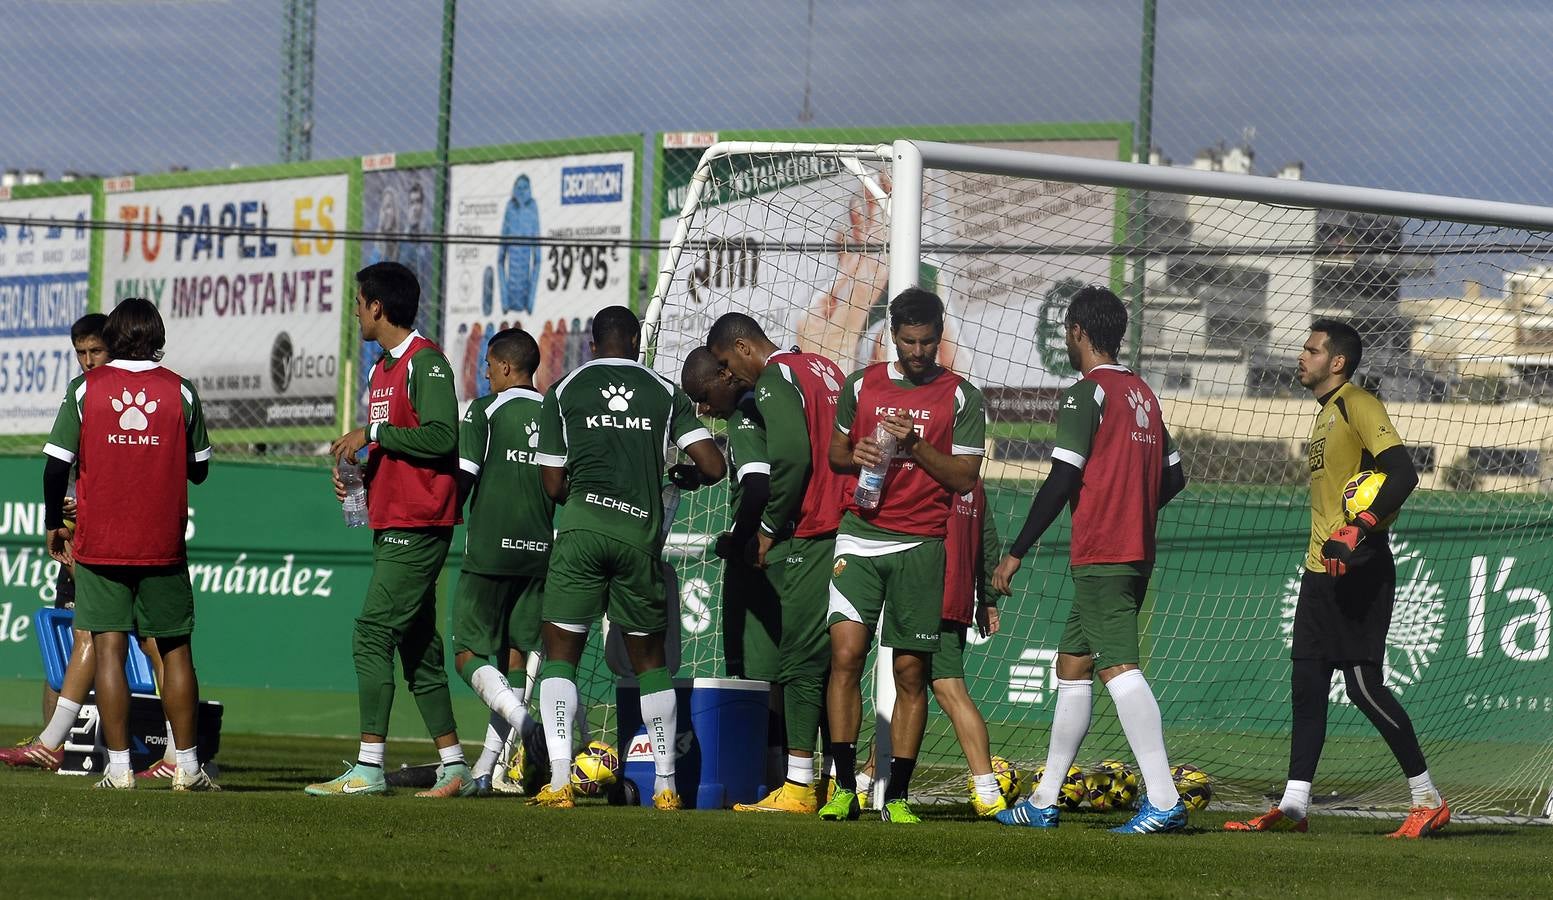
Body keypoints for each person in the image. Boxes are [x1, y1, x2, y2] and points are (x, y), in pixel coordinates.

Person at [1225, 319, 1447, 839]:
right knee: (1307, 686)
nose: (1301, 357)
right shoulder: (1324, 415)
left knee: (1364, 686)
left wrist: (1362, 528)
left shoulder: (1357, 403)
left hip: (1359, 567)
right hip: (1317, 571)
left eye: (1311, 350)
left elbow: (1404, 472)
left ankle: (1427, 798)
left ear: (1338, 362)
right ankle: (1296, 805)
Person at [991, 285, 1187, 834]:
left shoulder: (1085, 394)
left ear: (1077, 332)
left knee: (1118, 668)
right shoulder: (1142, 393)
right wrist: (1132, 506)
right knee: (1072, 665)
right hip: (1131, 550)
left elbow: (1062, 477)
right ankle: (1044, 800)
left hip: (1103, 551)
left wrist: (1016, 551)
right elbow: (1174, 475)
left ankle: (1166, 799)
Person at [530, 306, 724, 810]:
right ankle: (665, 786)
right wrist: (683, 477)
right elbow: (713, 464)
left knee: (560, 659)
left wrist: (589, 498)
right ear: (638, 340)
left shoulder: (565, 388)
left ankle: (557, 782)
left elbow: (552, 483)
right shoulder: (664, 391)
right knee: (651, 665)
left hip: (580, 534)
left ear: (592, 344)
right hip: (639, 538)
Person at [819, 288, 986, 825]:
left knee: (911, 673)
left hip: (922, 544)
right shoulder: (862, 384)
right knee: (845, 656)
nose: (918, 351)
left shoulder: (962, 396)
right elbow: (836, 453)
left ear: (941, 337)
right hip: (860, 536)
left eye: (928, 342)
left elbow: (965, 478)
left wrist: (914, 447)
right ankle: (844, 787)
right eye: (910, 341)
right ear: (894, 335)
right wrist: (860, 453)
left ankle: (897, 797)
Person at [308, 261, 471, 798]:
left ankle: (369, 767)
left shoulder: (429, 364)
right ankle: (453, 766)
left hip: (420, 524)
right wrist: (359, 481)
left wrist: (372, 431)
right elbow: (395, 445)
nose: (355, 311)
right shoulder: (382, 368)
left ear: (377, 307)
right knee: (418, 646)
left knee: (371, 635)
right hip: (390, 518)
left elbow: (444, 437)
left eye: (358, 302)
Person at [40, 298, 217, 791]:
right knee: (177, 651)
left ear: (113, 336)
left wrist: (55, 523)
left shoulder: (85, 390)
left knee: (110, 649)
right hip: (161, 542)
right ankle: (187, 766)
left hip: (100, 542)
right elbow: (200, 470)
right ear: (158, 335)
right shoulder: (180, 391)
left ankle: (119, 771)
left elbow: (56, 466)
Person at [705, 312, 849, 815]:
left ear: (743, 348)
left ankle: (797, 786)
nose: (731, 376)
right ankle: (839, 781)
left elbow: (791, 459)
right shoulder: (826, 367)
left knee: (800, 662)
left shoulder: (775, 379)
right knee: (839, 662)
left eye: (727, 363)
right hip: (849, 526)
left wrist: (766, 530)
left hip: (813, 531)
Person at [452, 327, 553, 796]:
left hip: (489, 552)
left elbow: (463, 480)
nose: (484, 372)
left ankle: (524, 721)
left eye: (488, 365)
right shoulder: (555, 411)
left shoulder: (485, 410)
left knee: (465, 653)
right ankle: (487, 770)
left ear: (507, 367)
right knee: (515, 657)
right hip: (538, 554)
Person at [679, 347, 785, 789]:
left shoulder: (746, 410)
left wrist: (739, 539)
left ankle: (777, 776)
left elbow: (758, 485)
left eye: (703, 396)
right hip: (791, 546)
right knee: (794, 669)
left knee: (765, 674)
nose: (703, 409)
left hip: (764, 556)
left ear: (725, 376)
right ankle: (805, 775)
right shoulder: (773, 403)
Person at [936, 481, 1009, 817]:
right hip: (957, 597)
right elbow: (987, 540)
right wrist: (987, 600)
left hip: (926, 593)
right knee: (908, 691)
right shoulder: (972, 481)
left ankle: (988, 790)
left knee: (950, 691)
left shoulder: (928, 464)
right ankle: (867, 780)